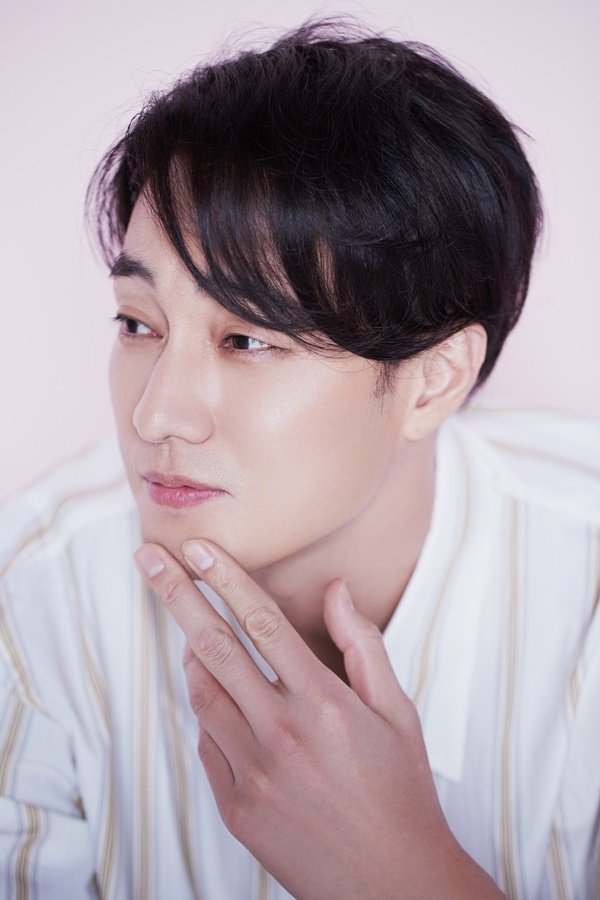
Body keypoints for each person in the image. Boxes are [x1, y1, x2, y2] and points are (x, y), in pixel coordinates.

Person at [1, 20, 598, 900]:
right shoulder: (32, 598)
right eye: (136, 323)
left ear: (434, 381)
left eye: (247, 339)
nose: (155, 412)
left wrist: (406, 875)